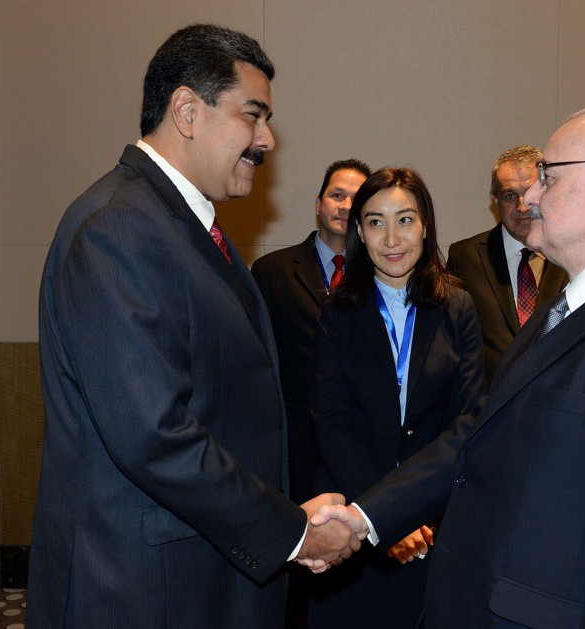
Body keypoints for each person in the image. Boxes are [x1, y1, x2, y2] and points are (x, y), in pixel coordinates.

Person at [320, 101, 585, 628]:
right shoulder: (566, 306)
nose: (530, 197)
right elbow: (479, 432)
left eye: (548, 175)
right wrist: (364, 518)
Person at [27, 24, 356, 629]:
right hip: (145, 590)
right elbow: (153, 434)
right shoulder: (119, 228)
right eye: (252, 115)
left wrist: (285, 514)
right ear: (186, 111)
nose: (267, 139)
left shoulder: (179, 225)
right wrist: (289, 532)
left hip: (196, 576)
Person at [307, 167, 485, 626]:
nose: (391, 239)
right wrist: (383, 515)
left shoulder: (458, 306)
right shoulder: (338, 311)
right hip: (357, 524)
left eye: (404, 220)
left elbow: (467, 421)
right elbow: (332, 422)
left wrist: (413, 509)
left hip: (437, 523)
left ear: (425, 225)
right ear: (359, 232)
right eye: (375, 222)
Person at [251, 157, 370, 628]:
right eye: (337, 195)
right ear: (319, 203)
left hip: (359, 450)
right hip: (292, 451)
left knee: (354, 575)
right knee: (295, 582)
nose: (346, 206)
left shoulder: (381, 273)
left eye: (357, 199)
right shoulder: (272, 270)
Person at [447, 146, 568, 381]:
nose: (522, 207)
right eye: (510, 196)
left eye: (529, 192)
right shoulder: (465, 258)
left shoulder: (572, 254)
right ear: (495, 201)